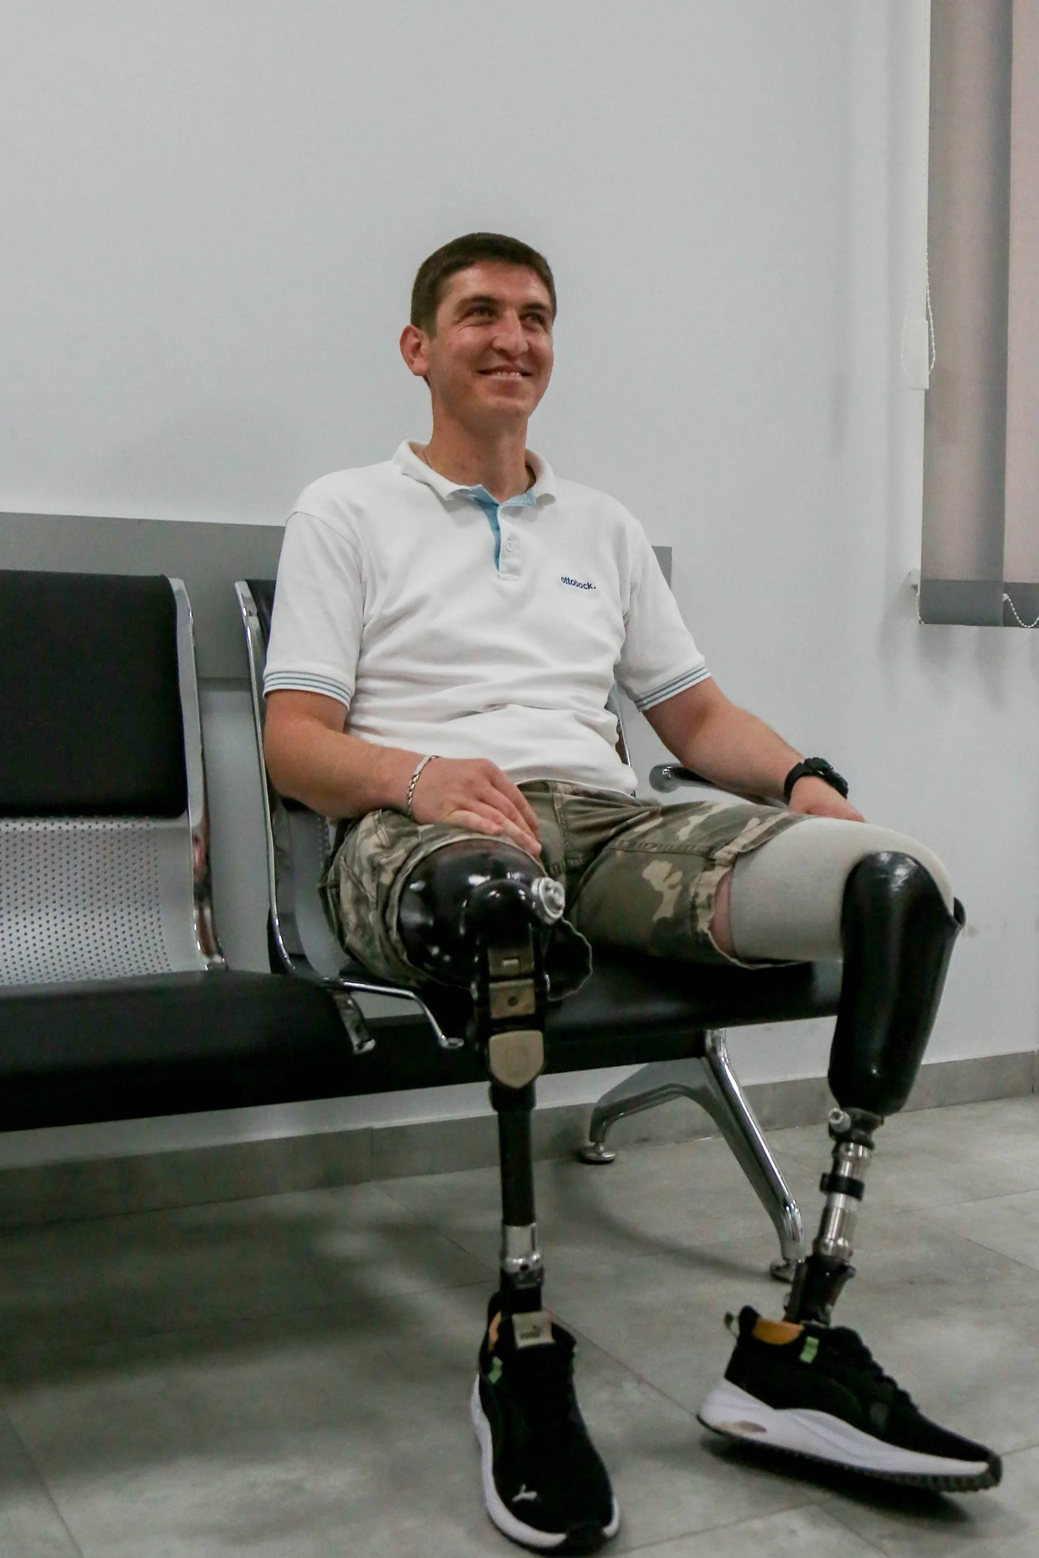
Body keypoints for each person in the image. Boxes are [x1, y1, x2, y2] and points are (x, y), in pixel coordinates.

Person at [262, 233, 1000, 1552]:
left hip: (605, 823)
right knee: (499, 904)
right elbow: (294, 743)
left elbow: (695, 716)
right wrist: (421, 777)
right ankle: (521, 1331)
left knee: (897, 886)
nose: (513, 337)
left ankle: (798, 1340)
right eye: (480, 313)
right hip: (419, 830)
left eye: (535, 316)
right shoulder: (344, 512)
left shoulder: (599, 528)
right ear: (418, 348)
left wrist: (807, 783)